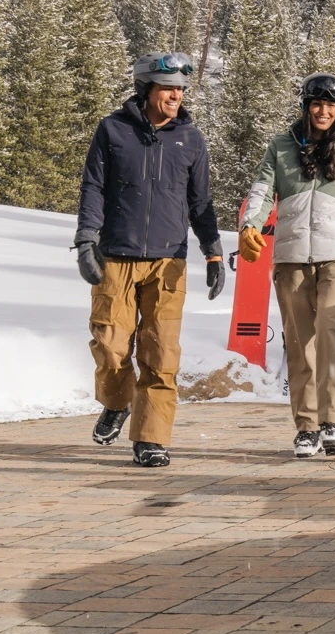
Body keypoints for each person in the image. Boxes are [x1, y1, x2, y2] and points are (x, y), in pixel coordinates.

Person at [75, 52, 225, 468]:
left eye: (180, 90)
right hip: (116, 257)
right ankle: (117, 402)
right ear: (147, 90)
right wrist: (87, 240)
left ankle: (151, 439)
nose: (176, 96)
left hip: (169, 262)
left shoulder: (190, 140)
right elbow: (93, 189)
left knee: (160, 354)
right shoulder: (113, 130)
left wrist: (213, 251)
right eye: (168, 89)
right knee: (109, 346)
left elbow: (201, 202)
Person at [238, 72, 335, 458]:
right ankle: (307, 426)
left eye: (331, 105)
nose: (324, 111)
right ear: (306, 106)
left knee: (332, 327)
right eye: (317, 103)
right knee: (299, 342)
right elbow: (261, 191)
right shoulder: (280, 146)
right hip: (291, 259)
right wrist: (248, 226)